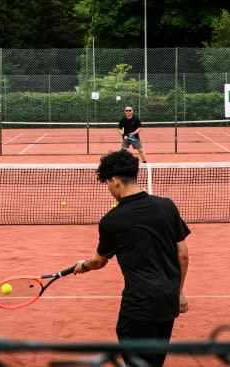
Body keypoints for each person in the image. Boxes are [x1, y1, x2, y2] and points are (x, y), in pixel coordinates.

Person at [72, 150, 190, 367]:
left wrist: (83, 265)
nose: (108, 189)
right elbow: (182, 254)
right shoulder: (167, 206)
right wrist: (179, 292)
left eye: (107, 183)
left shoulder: (111, 221)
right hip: (167, 302)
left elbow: (99, 261)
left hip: (138, 307)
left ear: (115, 181)